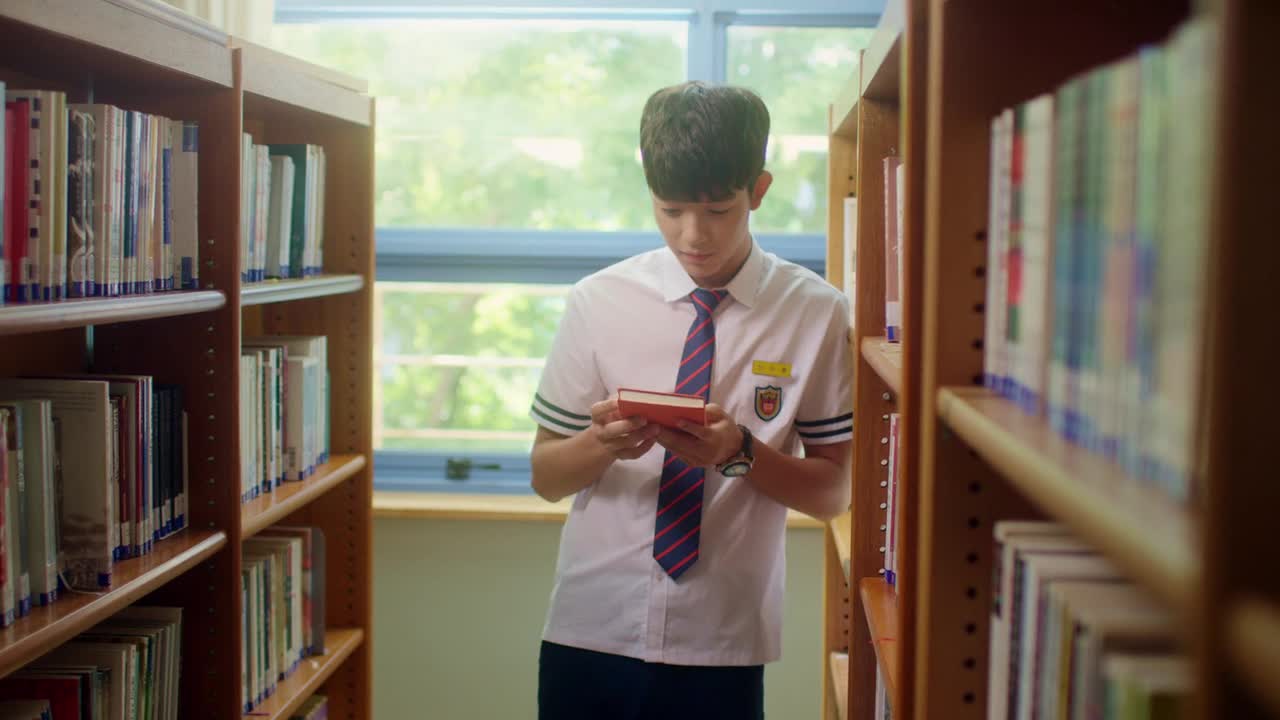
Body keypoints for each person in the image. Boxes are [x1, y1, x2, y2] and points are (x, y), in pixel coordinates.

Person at [529, 80, 853, 720]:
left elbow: (833, 494)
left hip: (722, 641)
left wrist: (738, 452)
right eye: (670, 209)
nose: (693, 236)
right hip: (590, 628)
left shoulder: (816, 312)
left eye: (719, 210)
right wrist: (601, 445)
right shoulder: (598, 301)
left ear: (759, 190)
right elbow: (545, 478)